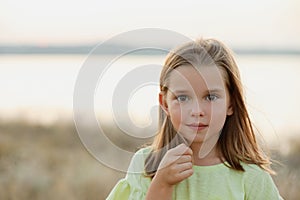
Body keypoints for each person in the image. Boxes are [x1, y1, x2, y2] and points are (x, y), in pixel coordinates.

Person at [106, 38, 283, 199]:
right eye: (182, 98)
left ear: (231, 103)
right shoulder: (145, 165)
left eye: (211, 97)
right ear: (165, 103)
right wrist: (161, 184)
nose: (197, 111)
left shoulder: (251, 176)